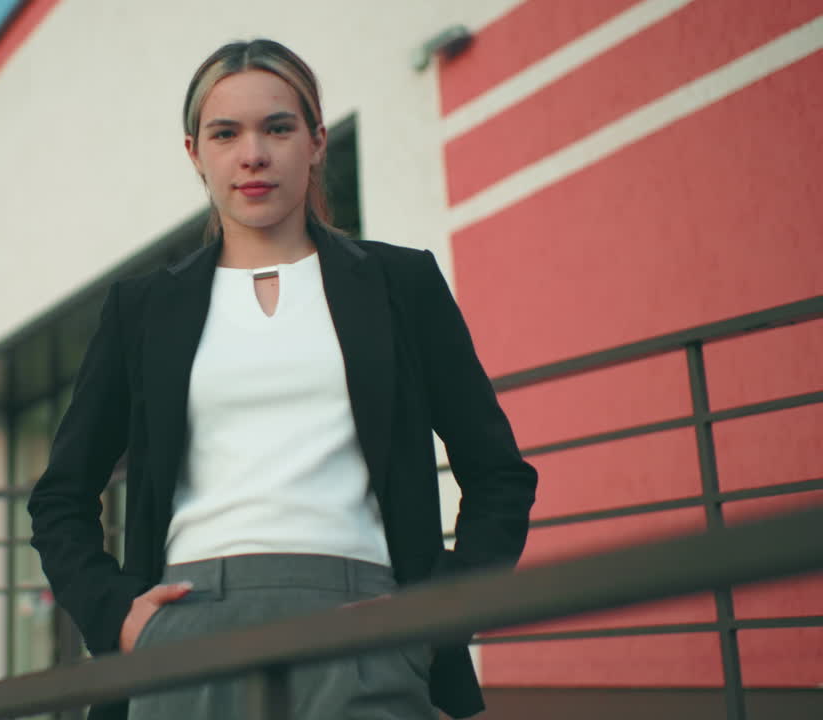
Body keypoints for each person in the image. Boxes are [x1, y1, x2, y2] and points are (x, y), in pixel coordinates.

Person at [27, 38, 537, 720]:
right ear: (194, 153)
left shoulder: (400, 284)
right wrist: (120, 618)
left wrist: (433, 617)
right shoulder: (143, 309)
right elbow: (61, 496)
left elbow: (499, 474)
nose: (253, 154)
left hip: (366, 625)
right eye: (225, 133)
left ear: (317, 140)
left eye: (277, 127)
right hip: (183, 631)